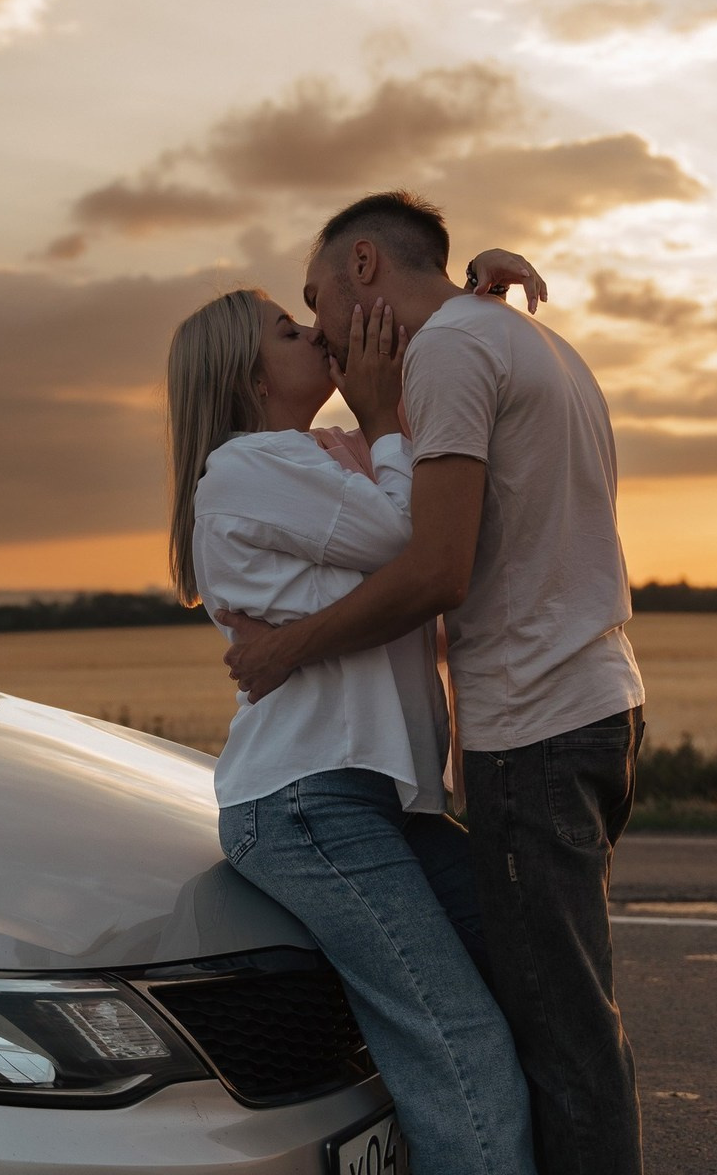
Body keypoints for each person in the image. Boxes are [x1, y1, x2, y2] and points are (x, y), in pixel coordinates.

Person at [220, 191, 647, 1175]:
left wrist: (291, 648)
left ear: (361, 265)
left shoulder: (454, 350)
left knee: (560, 1041)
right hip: (593, 702)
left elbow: (433, 567)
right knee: (562, 1010)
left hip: (534, 729)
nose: (320, 323)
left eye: (313, 295)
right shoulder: (503, 336)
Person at [166, 253, 544, 1175]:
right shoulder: (248, 466)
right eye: (288, 334)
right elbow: (404, 536)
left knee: (528, 973)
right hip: (306, 803)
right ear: (249, 376)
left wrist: (467, 311)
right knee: (459, 1046)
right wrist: (379, 416)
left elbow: (422, 452)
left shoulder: (319, 456)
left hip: (369, 802)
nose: (317, 334)